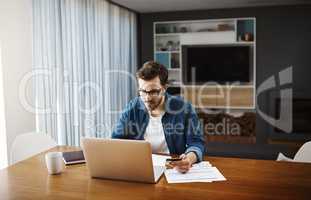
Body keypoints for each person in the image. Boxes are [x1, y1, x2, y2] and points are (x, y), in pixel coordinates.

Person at [112, 61, 205, 173]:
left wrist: (189, 159)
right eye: (142, 91)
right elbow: (116, 141)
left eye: (153, 92)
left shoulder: (184, 108)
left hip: (173, 169)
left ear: (164, 88)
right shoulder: (132, 107)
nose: (147, 98)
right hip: (140, 168)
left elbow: (196, 142)